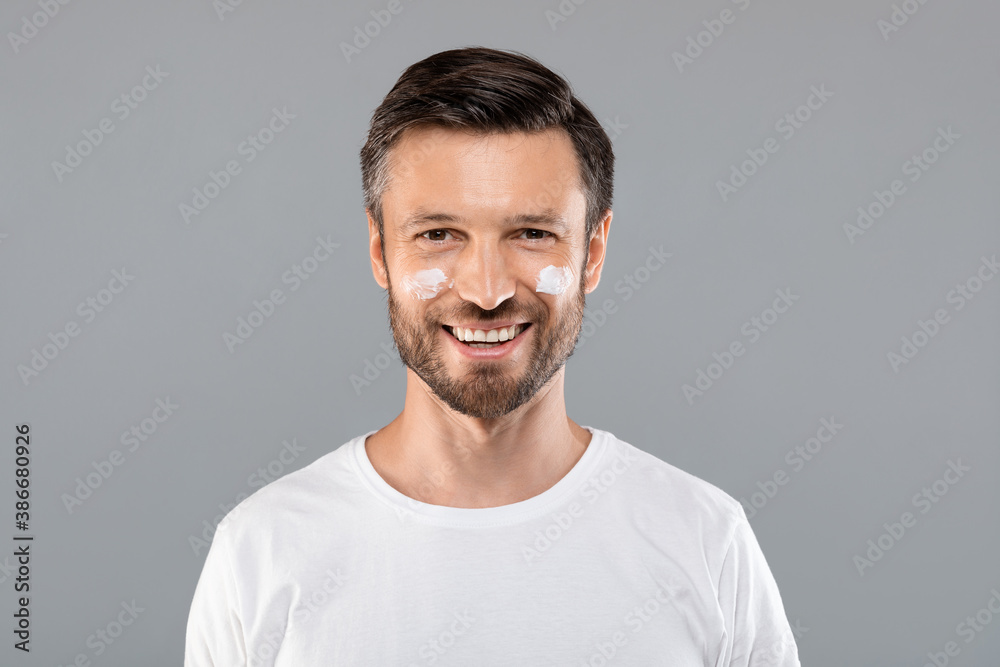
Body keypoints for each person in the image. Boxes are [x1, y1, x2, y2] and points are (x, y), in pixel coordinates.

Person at [185, 46, 800, 666]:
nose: (486, 290)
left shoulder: (704, 541)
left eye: (532, 233)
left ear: (592, 252)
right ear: (380, 252)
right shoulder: (261, 552)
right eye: (438, 235)